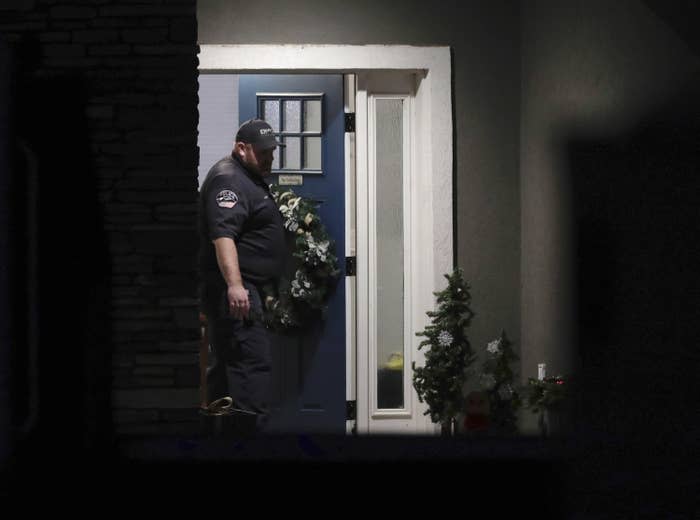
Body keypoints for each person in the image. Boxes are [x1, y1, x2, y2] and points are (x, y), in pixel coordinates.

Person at [197, 119, 286, 433]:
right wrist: (235, 285)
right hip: (236, 295)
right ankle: (249, 444)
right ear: (241, 148)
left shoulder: (246, 176)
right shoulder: (229, 180)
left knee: (229, 374)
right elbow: (223, 236)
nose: (270, 158)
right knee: (250, 370)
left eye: (272, 152)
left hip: (245, 290)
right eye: (263, 153)